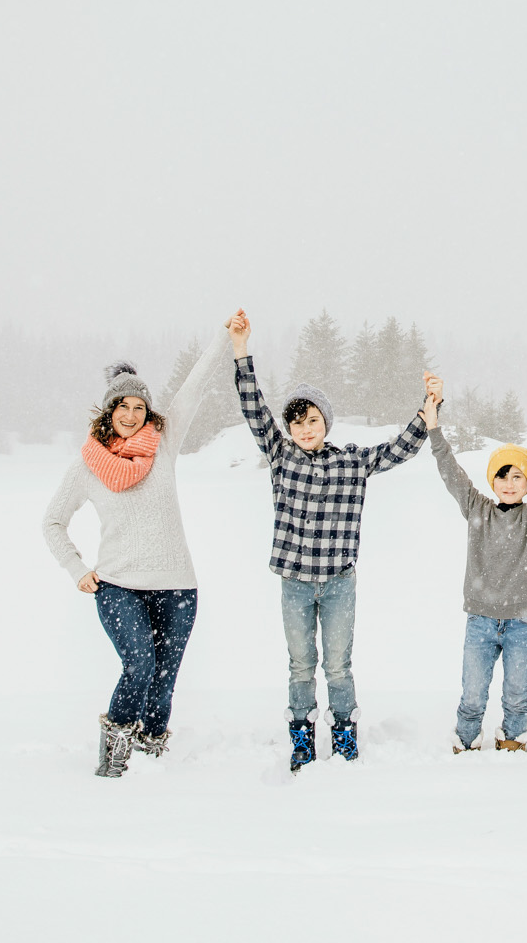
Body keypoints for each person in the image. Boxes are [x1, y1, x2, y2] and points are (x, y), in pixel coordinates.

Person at [225, 309, 434, 771]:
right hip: (295, 582)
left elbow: (400, 448)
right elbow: (253, 407)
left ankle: (344, 734)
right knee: (301, 665)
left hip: (339, 581)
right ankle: (302, 735)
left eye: (312, 419)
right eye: (297, 422)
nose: (304, 428)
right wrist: (241, 349)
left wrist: (427, 411)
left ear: (327, 422)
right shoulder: (281, 455)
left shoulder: (352, 462)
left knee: (338, 665)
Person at [42, 344, 226, 778]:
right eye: (122, 406)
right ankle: (116, 751)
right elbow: (53, 522)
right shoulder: (88, 464)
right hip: (118, 585)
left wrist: (226, 336)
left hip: (177, 584)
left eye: (139, 405)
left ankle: (153, 756)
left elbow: (193, 388)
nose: (130, 413)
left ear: (149, 410)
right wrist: (77, 569)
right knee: (140, 662)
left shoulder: (163, 445)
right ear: (108, 412)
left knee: (164, 677)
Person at [424, 384, 527, 753]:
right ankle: (466, 738)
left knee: (516, 692)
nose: (508, 484)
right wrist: (434, 428)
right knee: (473, 691)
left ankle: (513, 737)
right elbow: (450, 469)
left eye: (517, 477)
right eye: (502, 475)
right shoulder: (477, 508)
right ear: (491, 479)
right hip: (480, 619)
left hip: (522, 622)